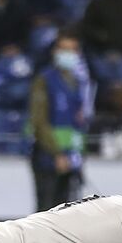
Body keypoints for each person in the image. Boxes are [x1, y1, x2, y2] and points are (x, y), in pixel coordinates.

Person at [29, 31, 89, 211]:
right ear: (55, 52)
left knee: (66, 212)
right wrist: (57, 154)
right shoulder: (44, 80)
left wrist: (76, 154)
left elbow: (76, 123)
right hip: (48, 156)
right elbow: (39, 121)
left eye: (73, 50)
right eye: (64, 49)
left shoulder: (78, 82)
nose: (68, 54)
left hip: (70, 157)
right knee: (46, 211)